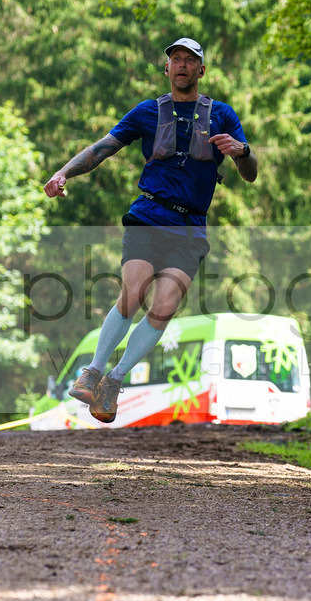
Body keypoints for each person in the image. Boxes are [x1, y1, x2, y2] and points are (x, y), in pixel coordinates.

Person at [43, 37, 258, 423]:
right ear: (167, 69)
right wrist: (62, 172)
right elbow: (102, 148)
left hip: (191, 227)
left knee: (163, 309)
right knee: (133, 292)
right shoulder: (147, 111)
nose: (182, 65)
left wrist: (242, 152)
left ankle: (114, 381)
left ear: (201, 71)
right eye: (176, 59)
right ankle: (93, 371)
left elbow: (250, 174)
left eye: (190, 61)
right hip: (149, 216)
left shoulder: (222, 115)